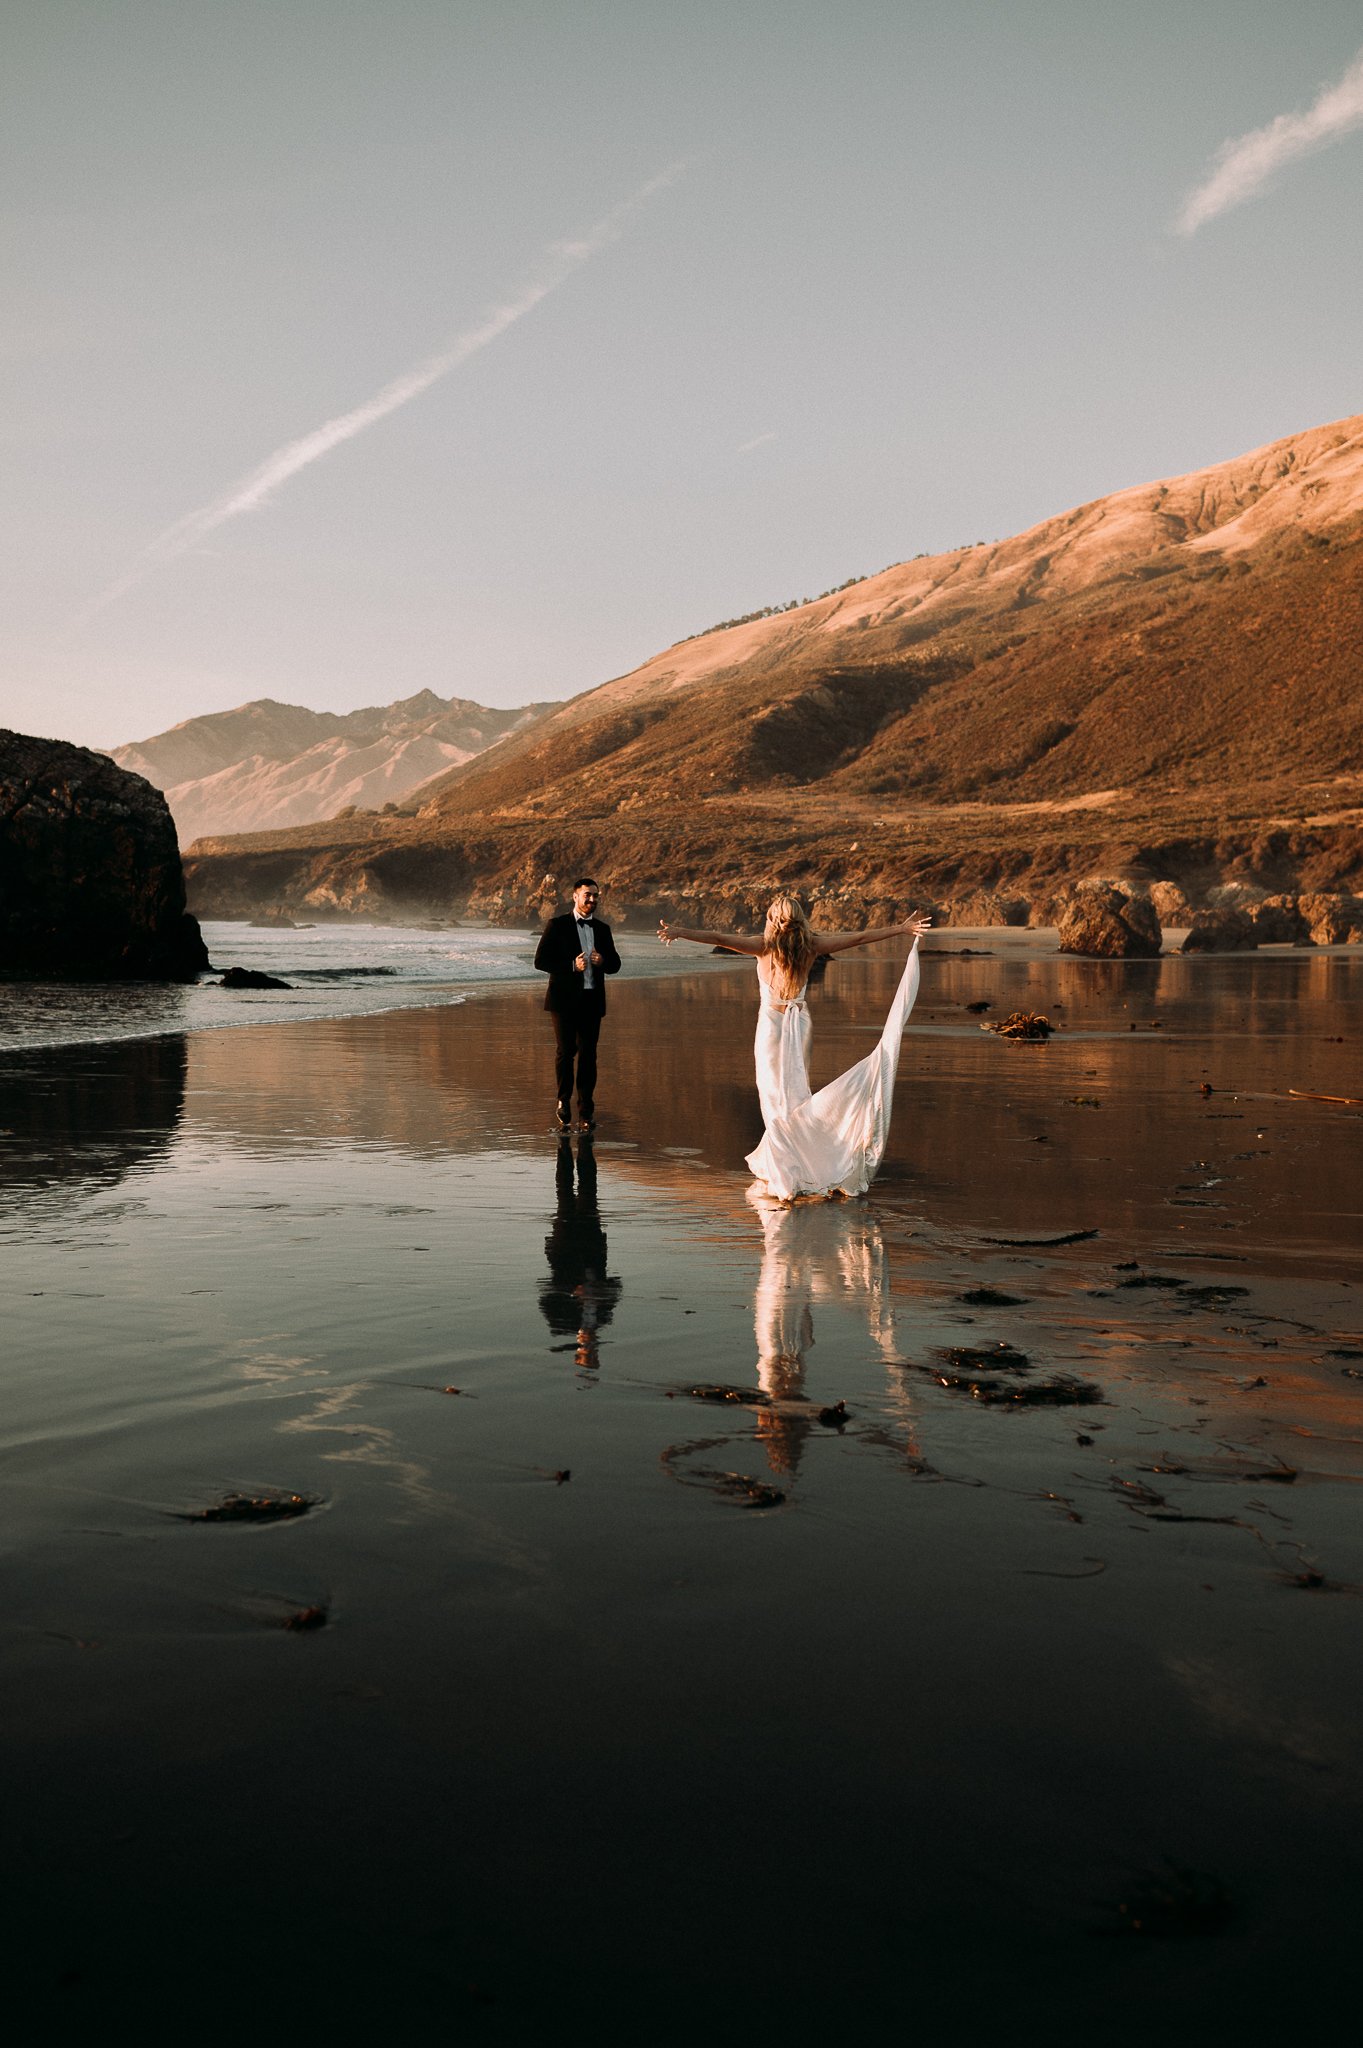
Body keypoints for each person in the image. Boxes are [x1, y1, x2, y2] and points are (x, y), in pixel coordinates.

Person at [657, 895, 930, 1200]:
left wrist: (681, 931)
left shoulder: (762, 946)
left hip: (773, 1025)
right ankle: (803, 1159)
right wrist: (901, 929)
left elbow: (718, 937)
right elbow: (861, 937)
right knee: (796, 1097)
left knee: (774, 1099)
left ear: (772, 919)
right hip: (800, 1023)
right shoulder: (812, 945)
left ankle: (788, 1168)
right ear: (800, 919)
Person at [534, 878, 622, 1129]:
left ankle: (586, 1110)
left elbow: (615, 965)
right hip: (562, 1002)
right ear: (575, 897)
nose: (592, 900)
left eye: (595, 896)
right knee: (565, 1052)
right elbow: (540, 961)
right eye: (587, 895)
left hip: (592, 1002)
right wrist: (572, 966)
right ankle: (563, 1101)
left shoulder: (603, 930)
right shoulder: (557, 925)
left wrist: (602, 960)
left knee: (588, 1055)